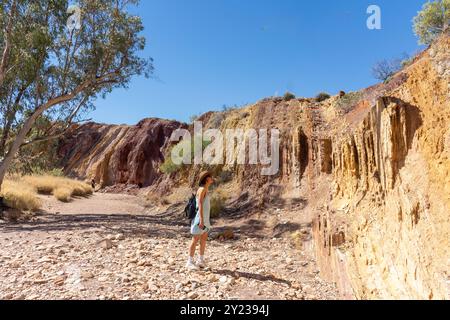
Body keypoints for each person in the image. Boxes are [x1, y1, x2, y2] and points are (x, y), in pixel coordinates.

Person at [186, 171, 214, 270]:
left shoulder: (205, 189)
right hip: (200, 218)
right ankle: (189, 262)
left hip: (205, 219)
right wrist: (201, 220)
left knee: (203, 239)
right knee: (195, 239)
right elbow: (200, 205)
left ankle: (200, 260)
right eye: (211, 177)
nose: (212, 178)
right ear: (207, 179)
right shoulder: (202, 190)